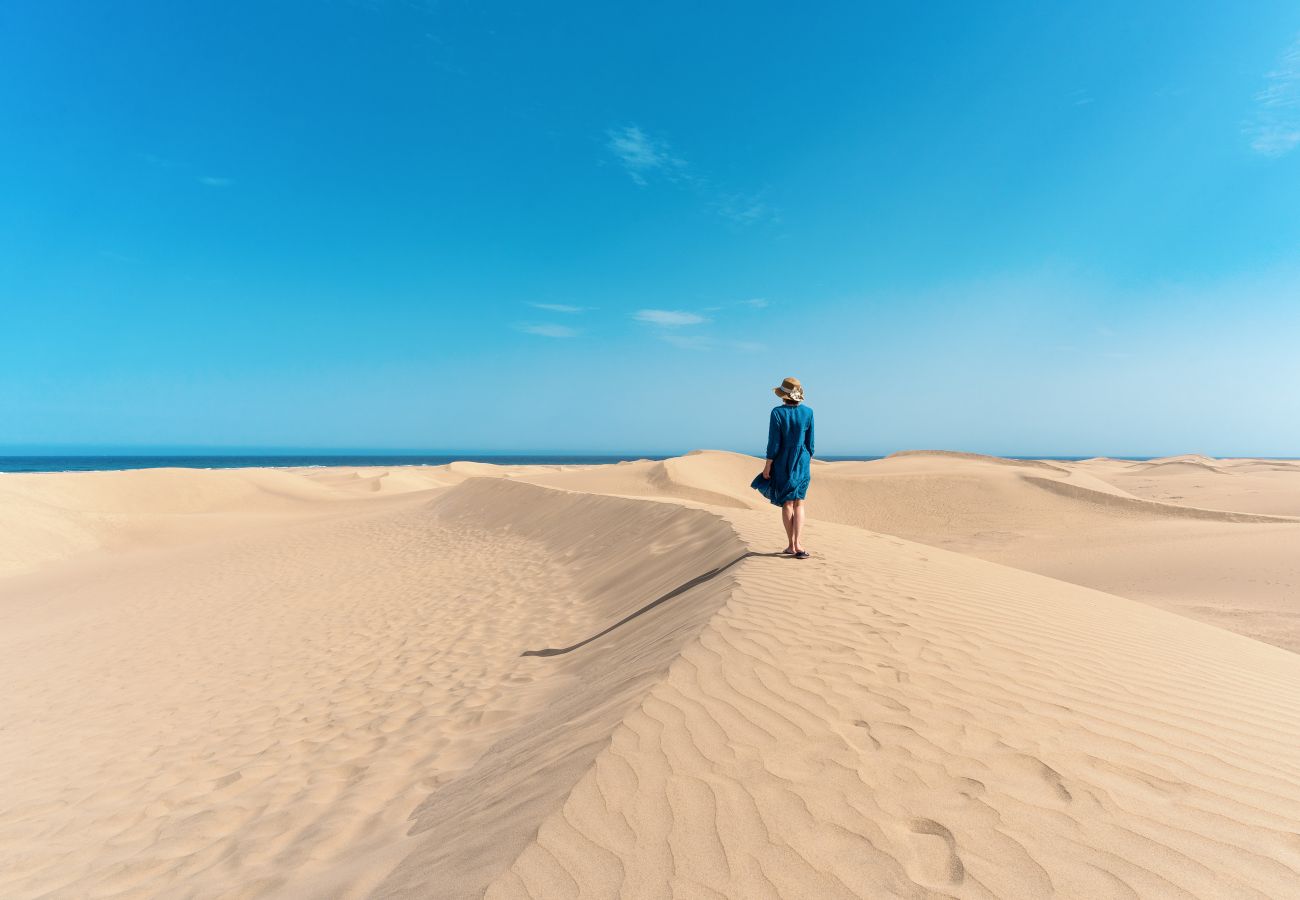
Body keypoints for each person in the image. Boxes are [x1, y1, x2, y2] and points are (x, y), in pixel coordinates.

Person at [753, 376, 814, 558]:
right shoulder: (808, 412)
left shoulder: (777, 413)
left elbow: (774, 443)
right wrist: (804, 458)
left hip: (782, 460)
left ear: (783, 395)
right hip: (802, 460)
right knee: (799, 502)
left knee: (787, 502)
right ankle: (799, 544)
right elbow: (811, 444)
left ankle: (791, 545)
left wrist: (768, 465)